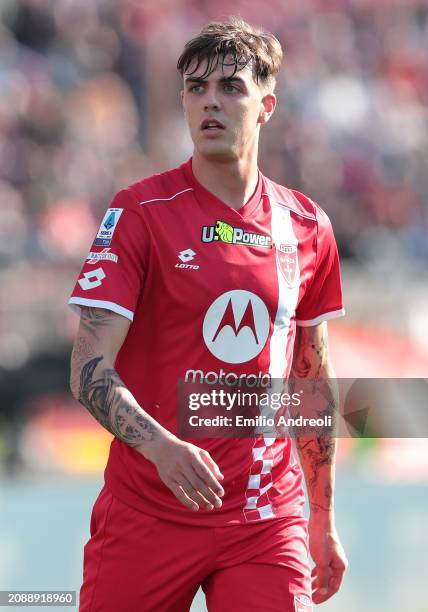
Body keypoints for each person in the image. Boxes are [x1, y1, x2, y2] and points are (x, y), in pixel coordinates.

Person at [69, 17, 348, 612]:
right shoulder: (140, 212)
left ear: (266, 105)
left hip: (264, 519)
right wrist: (162, 448)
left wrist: (321, 517)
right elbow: (89, 368)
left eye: (230, 87)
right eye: (196, 90)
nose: (210, 103)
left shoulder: (306, 226)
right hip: (148, 512)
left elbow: (310, 379)